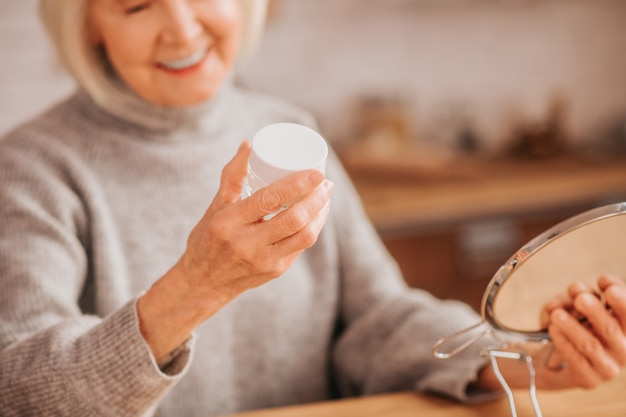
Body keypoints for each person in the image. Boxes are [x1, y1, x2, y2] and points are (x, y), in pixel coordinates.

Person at [0, 1, 624, 416]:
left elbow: (378, 320)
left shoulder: (289, 127)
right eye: (136, 2)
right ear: (86, 24)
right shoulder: (33, 167)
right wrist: (195, 288)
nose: (184, 28)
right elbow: (19, 385)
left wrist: (526, 360)